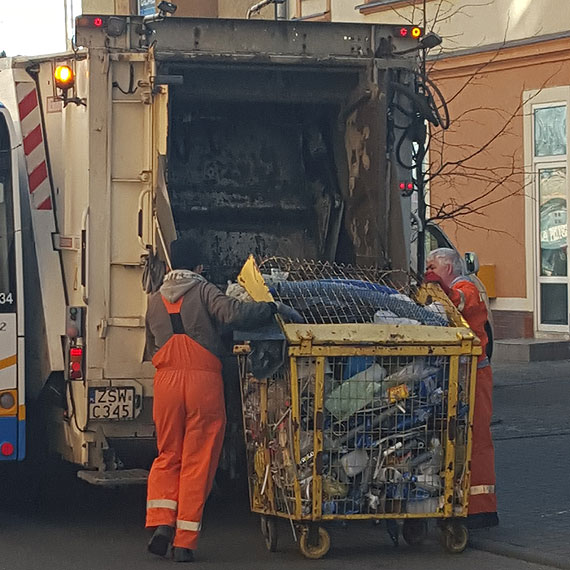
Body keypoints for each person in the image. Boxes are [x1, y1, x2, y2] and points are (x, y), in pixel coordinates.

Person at [144, 238, 302, 563]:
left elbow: (151, 349)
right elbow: (233, 314)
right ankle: (184, 542)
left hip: (167, 383)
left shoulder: (153, 299)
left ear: (171, 265)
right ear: (199, 267)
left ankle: (161, 524)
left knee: (167, 454)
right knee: (198, 459)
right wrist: (270, 308)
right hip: (202, 380)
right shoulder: (204, 290)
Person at [424, 247, 499, 529]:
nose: (428, 270)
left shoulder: (466, 287)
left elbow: (460, 303)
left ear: (449, 268)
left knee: (475, 438)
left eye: (433, 266)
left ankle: (480, 508)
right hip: (455, 375)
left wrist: (440, 287)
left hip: (474, 375)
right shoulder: (438, 292)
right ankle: (454, 501)